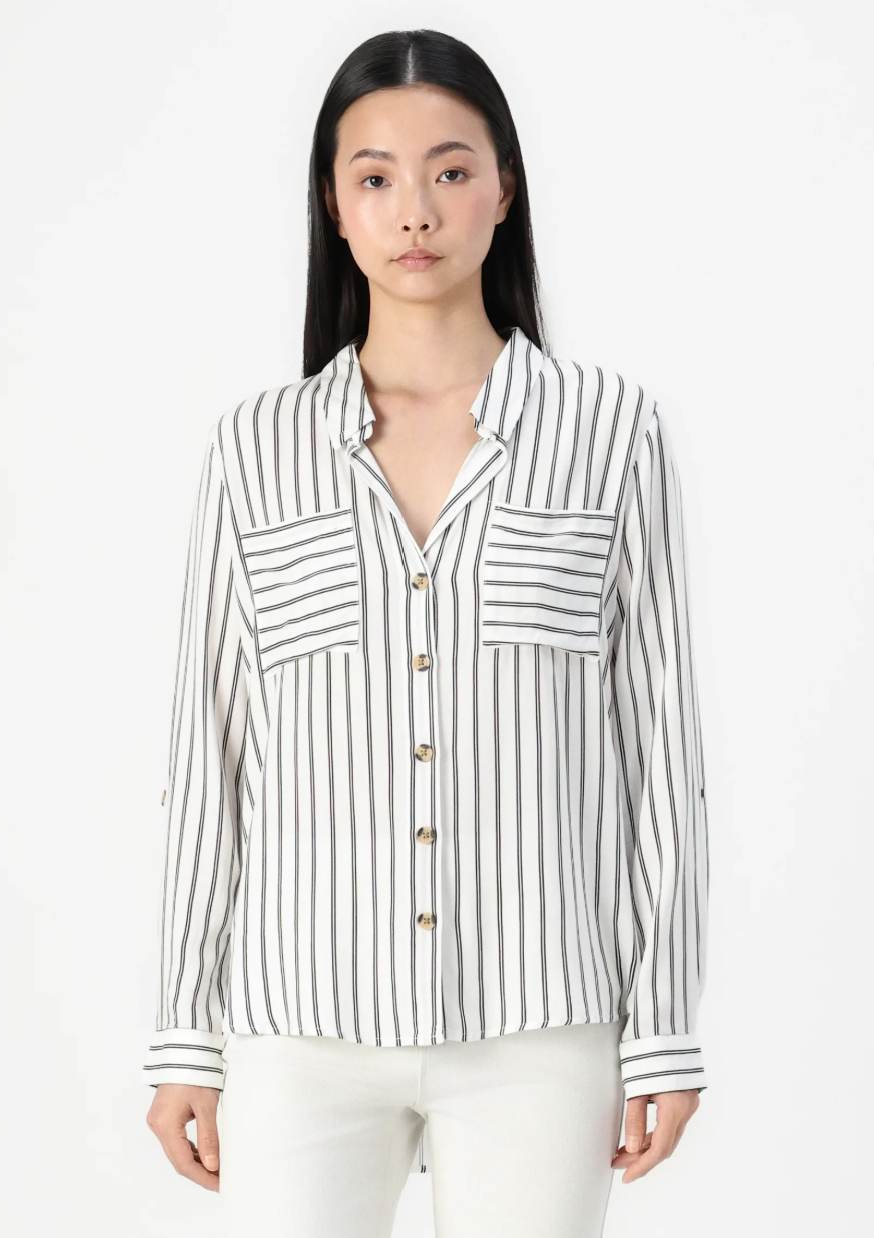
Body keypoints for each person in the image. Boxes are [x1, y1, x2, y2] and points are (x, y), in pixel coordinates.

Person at [142, 27, 709, 1238]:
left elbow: (661, 749)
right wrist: (185, 1030)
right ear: (333, 206)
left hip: (541, 1023)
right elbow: (210, 754)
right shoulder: (257, 448)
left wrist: (662, 1022)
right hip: (299, 1024)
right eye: (376, 176)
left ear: (504, 189)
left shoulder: (610, 432)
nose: (415, 210)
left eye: (451, 170)